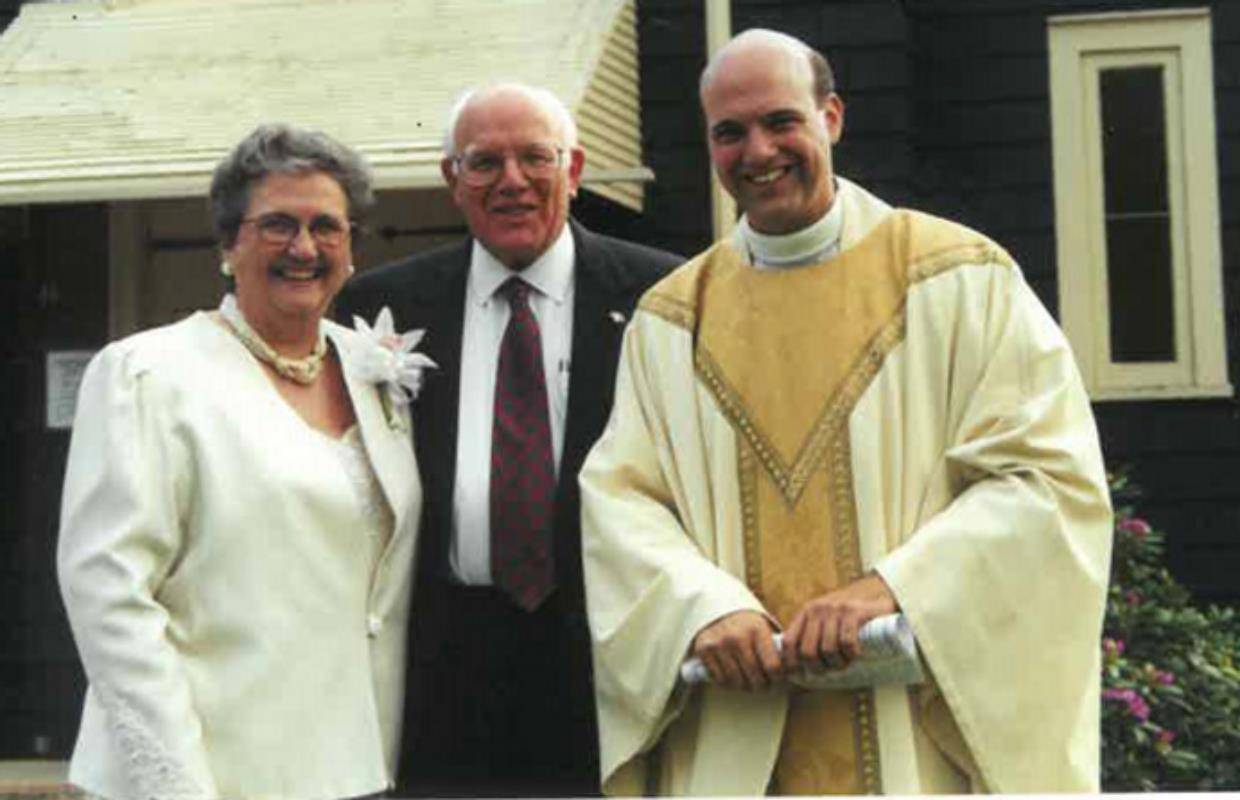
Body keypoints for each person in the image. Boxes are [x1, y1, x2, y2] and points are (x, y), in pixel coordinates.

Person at [579, 29, 1113, 796]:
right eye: (730, 133)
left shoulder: (960, 279)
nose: (758, 151)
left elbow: (1047, 483)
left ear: (831, 117)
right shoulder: (672, 321)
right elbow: (624, 503)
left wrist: (890, 588)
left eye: (781, 121)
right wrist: (704, 608)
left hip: (909, 743)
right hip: (739, 732)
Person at [57, 123, 428, 800]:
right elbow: (110, 595)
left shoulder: (371, 370)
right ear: (228, 243)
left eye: (327, 227)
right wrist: (177, 784)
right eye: (277, 225)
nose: (304, 248)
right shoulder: (149, 374)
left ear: (350, 249)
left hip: (347, 767)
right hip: (206, 772)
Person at [334, 83, 679, 796]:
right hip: (442, 663)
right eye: (485, 163)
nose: (512, 181)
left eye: (535, 158)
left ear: (575, 169)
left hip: (603, 652)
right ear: (451, 181)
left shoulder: (657, 298)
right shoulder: (381, 306)